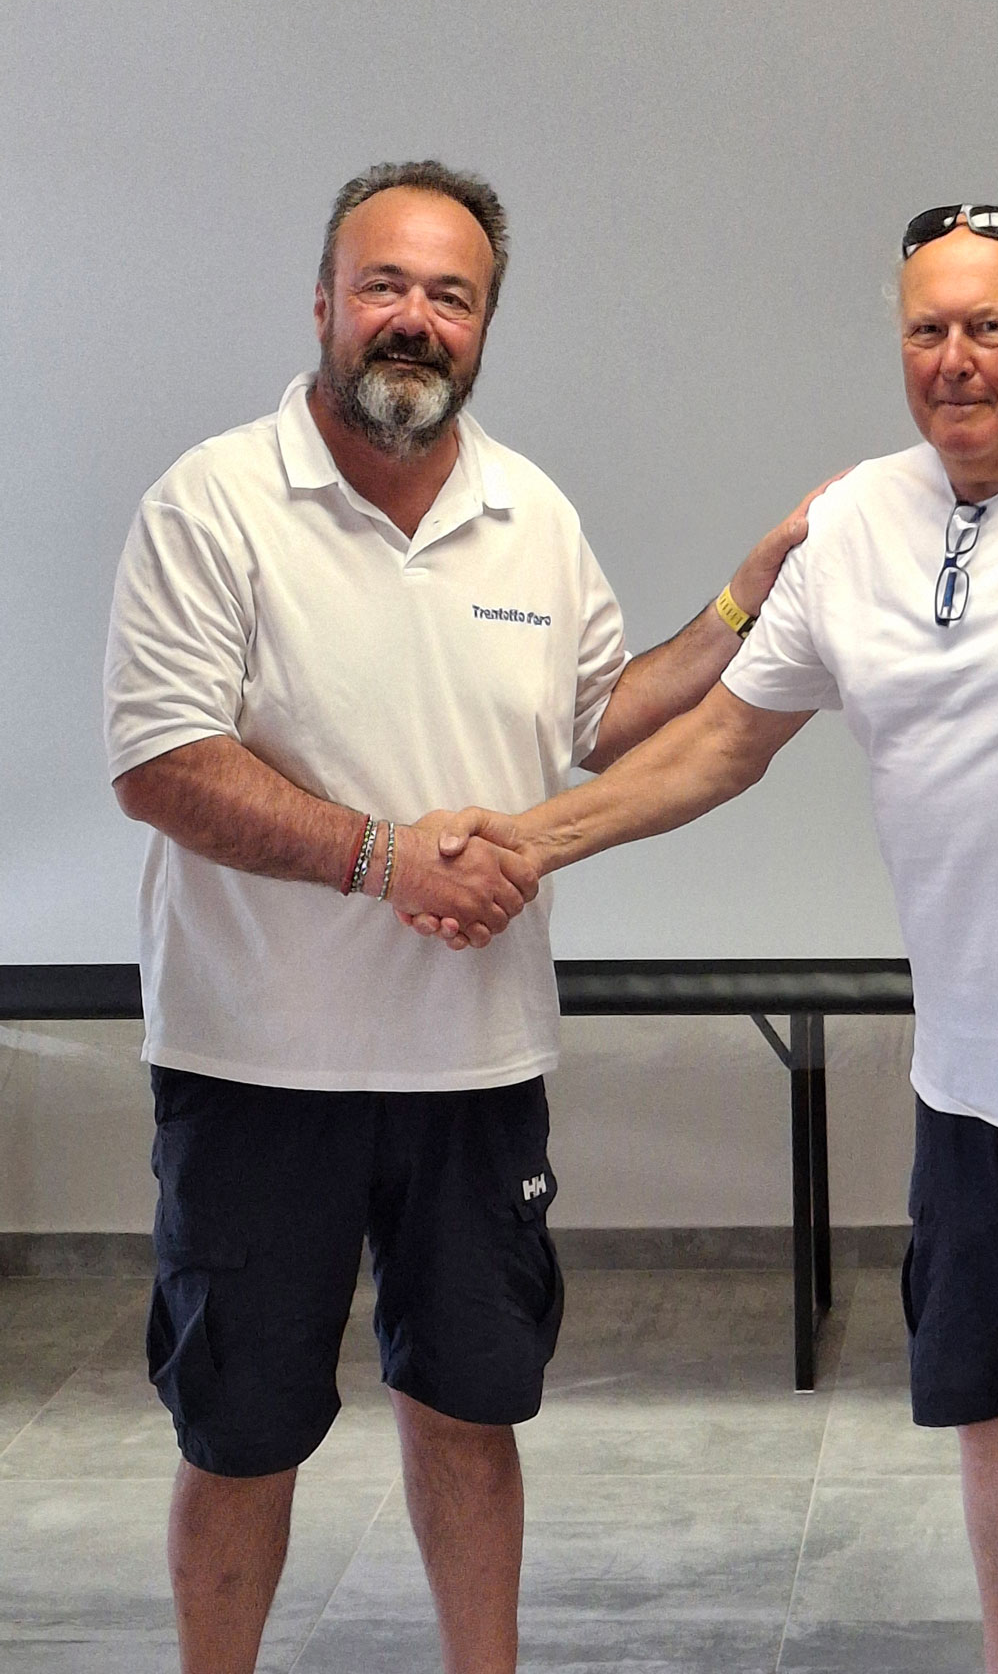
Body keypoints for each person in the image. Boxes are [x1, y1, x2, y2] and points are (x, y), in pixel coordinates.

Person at [413, 203, 998, 1674]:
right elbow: (722, 742)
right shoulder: (857, 520)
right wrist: (529, 841)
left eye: (989, 327)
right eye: (926, 330)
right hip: (969, 1086)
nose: (954, 358)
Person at [103, 158, 819, 1674]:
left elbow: (607, 718)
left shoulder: (529, 512)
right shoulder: (212, 502)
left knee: (473, 1411)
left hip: (473, 1067)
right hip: (256, 1069)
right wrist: (384, 860)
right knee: (240, 1432)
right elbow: (163, 763)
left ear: (485, 325)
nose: (414, 320)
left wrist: (745, 601)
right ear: (321, 302)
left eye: (452, 295)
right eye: (384, 285)